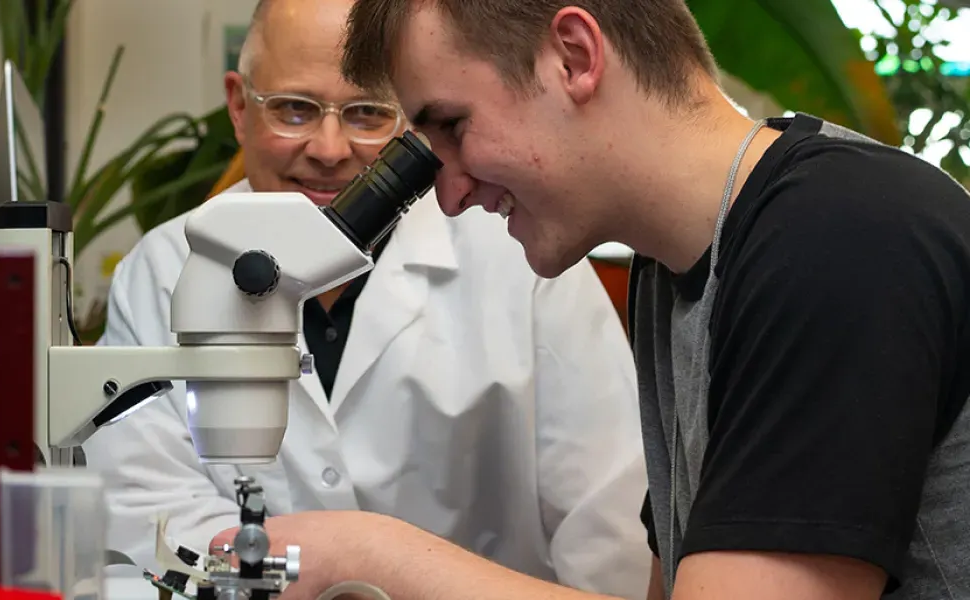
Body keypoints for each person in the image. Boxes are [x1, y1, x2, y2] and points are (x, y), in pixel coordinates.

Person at [210, 0, 970, 598]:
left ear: (574, 56)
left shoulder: (842, 234)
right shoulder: (675, 269)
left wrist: (368, 550)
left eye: (453, 125)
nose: (446, 193)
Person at [81, 0, 654, 596]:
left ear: (412, 118)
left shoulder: (524, 260)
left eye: (367, 114)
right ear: (238, 106)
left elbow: (609, 533)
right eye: (295, 110)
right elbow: (149, 522)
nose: (330, 150)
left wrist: (374, 565)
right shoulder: (166, 270)